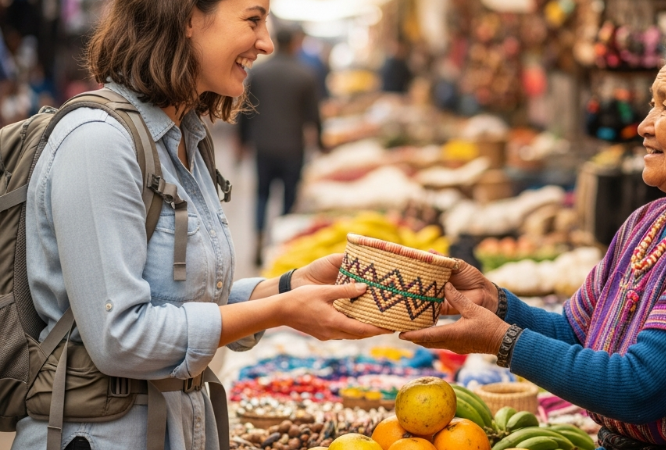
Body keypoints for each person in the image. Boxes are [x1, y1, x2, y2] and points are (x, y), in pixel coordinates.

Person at [401, 4, 666, 450]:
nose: (644, 125)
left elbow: (640, 388)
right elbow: (577, 335)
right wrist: (497, 304)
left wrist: (501, 340)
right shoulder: (649, 221)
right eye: (651, 104)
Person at [15, 1, 388, 449]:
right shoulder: (99, 142)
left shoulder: (185, 138)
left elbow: (183, 301)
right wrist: (281, 311)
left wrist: (286, 287)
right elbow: (121, 337)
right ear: (188, 17)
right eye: (253, 20)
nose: (267, 42)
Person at [237, 27, 323, 267]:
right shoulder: (305, 74)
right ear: (295, 43)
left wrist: (242, 141)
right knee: (288, 197)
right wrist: (321, 142)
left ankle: (258, 240)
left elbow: (246, 110)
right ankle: (282, 245)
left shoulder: (259, 73)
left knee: (262, 195)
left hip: (263, 146)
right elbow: (314, 116)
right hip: (292, 147)